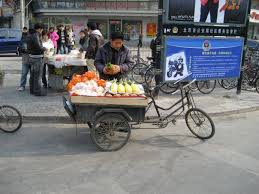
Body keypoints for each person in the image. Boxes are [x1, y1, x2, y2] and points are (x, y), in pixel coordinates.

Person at [27, 23, 47, 96]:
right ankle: (37, 91)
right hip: (37, 57)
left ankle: (32, 90)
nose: (42, 31)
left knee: (33, 75)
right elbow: (39, 47)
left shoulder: (30, 34)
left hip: (31, 57)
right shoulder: (36, 35)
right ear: (39, 29)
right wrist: (45, 48)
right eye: (42, 29)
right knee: (37, 76)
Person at [17, 27, 29, 91]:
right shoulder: (22, 40)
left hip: (32, 60)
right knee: (24, 73)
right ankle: (22, 86)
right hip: (25, 59)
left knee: (33, 74)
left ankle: (32, 86)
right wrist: (24, 50)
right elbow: (19, 48)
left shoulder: (33, 40)